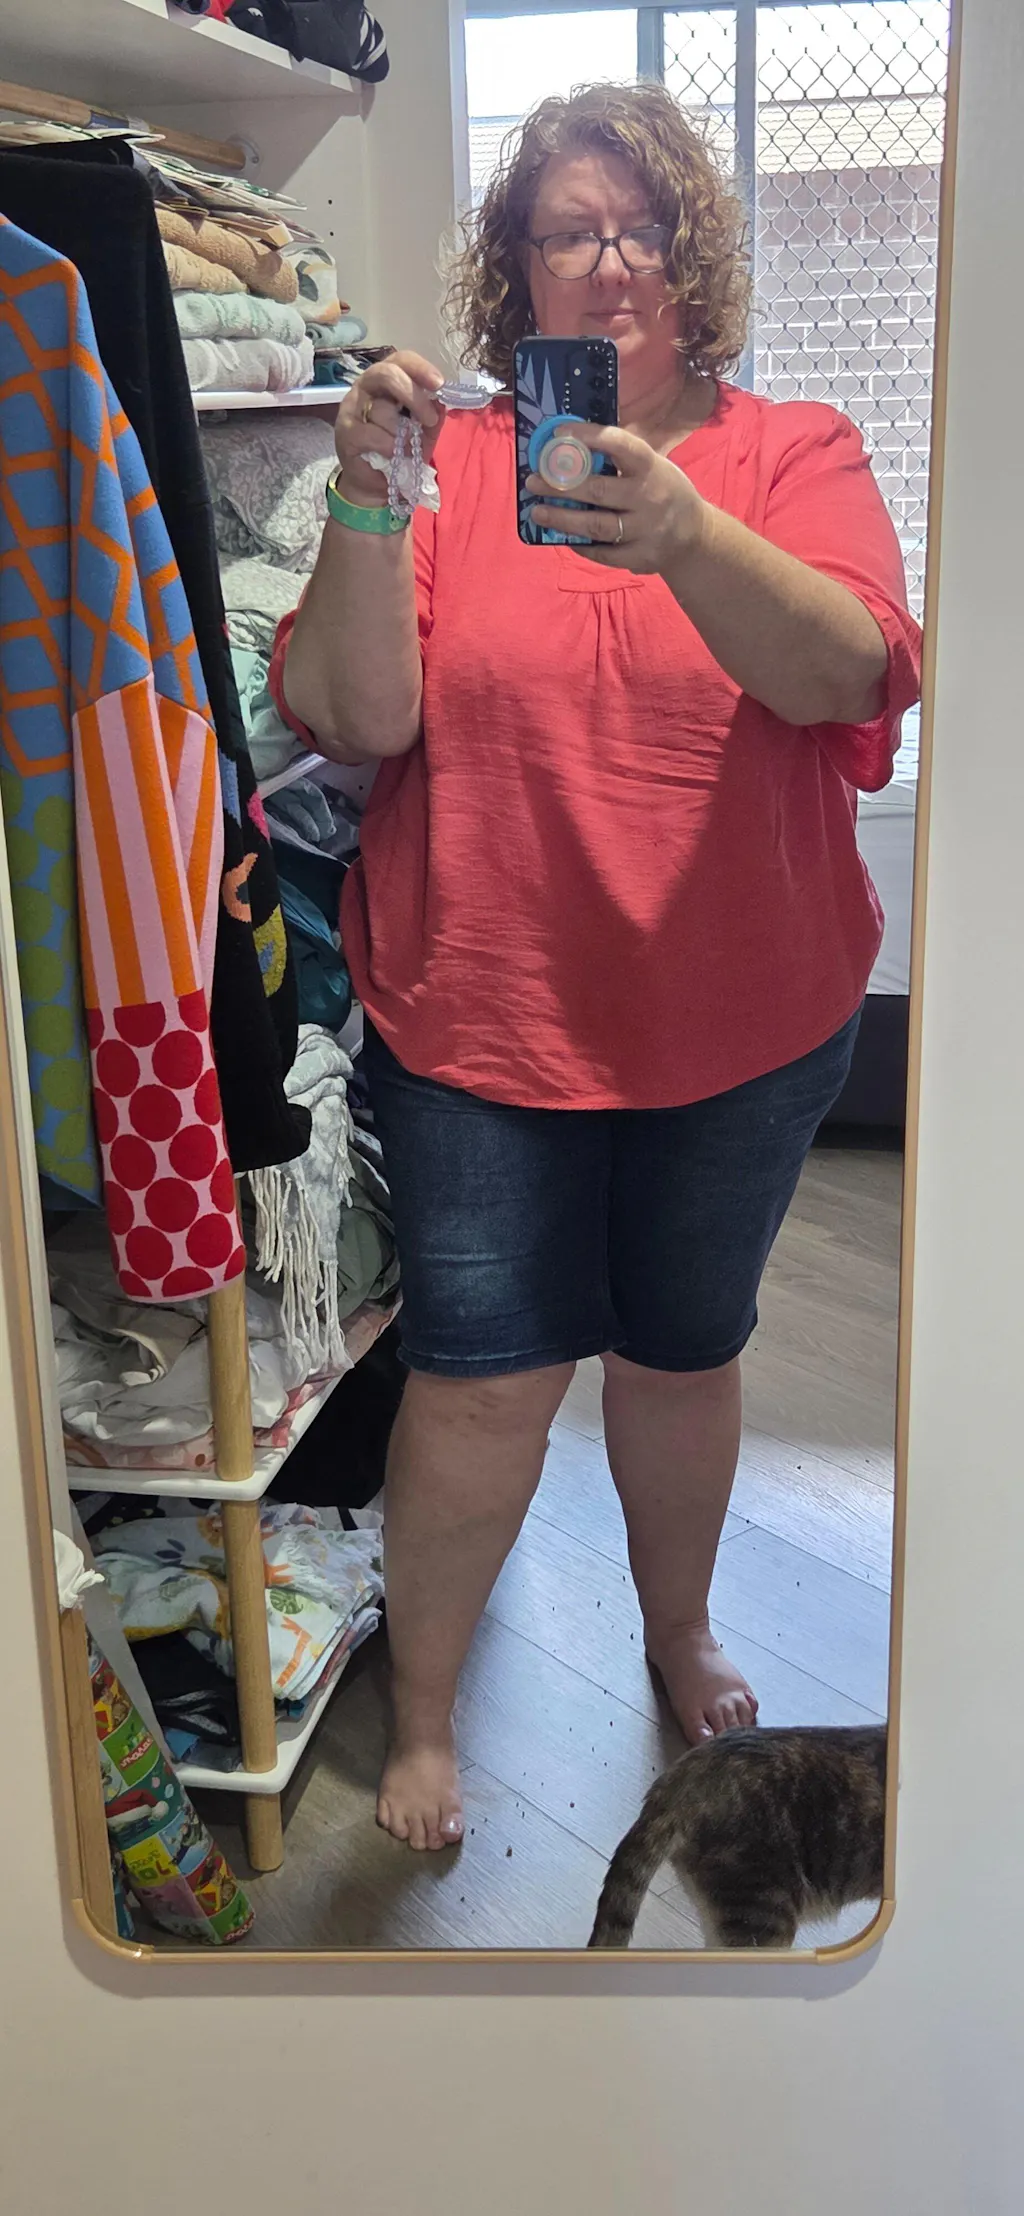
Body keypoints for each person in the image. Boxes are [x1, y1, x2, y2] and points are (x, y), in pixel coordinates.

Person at [271, 83, 922, 1852]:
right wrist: (363, 494)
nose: (611, 259)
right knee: (485, 1378)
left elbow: (849, 671)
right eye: (569, 230)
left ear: (693, 260)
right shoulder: (456, 467)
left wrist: (686, 534)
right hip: (484, 1019)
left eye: (641, 227)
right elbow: (352, 715)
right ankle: (425, 1709)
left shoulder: (793, 452)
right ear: (522, 273)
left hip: (744, 1022)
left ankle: (679, 1626)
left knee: (682, 1353)